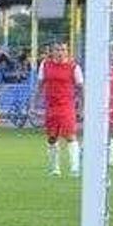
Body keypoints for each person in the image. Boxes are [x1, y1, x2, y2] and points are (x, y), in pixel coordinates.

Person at [31, 41, 83, 176]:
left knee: (70, 136)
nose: (60, 52)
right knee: (52, 137)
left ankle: (75, 168)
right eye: (57, 50)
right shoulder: (45, 65)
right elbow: (40, 85)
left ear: (67, 52)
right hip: (51, 106)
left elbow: (81, 88)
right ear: (52, 51)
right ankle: (55, 168)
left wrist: (82, 108)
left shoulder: (74, 67)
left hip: (67, 106)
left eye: (63, 50)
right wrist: (33, 104)